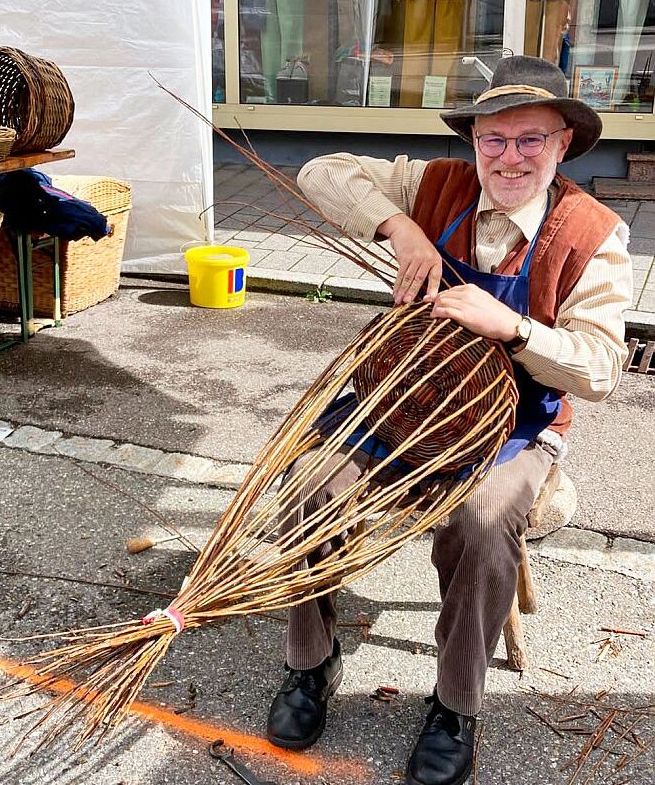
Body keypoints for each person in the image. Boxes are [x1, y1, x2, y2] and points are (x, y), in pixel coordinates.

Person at [265, 55, 633, 785]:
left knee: (483, 521)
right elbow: (320, 172)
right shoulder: (436, 185)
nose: (509, 157)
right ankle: (311, 662)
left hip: (512, 427)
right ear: (474, 141)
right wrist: (401, 229)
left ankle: (455, 704)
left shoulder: (593, 234)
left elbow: (600, 369)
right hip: (397, 403)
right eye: (494, 138)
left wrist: (515, 329)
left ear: (563, 144)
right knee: (308, 486)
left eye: (531, 139)